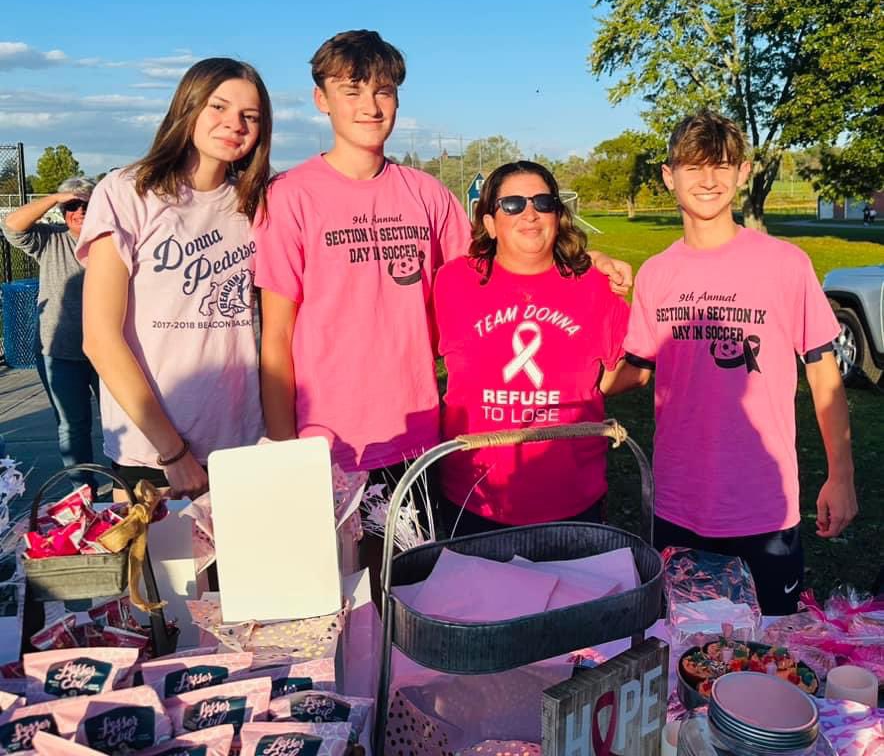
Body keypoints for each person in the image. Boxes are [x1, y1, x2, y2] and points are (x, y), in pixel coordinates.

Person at [255, 30, 632, 479]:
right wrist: (282, 448)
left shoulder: (425, 193)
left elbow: (500, 260)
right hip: (324, 438)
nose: (370, 106)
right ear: (322, 99)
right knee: (340, 553)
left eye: (383, 91)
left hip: (419, 431)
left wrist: (589, 260)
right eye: (351, 91)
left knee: (409, 551)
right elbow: (276, 337)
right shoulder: (289, 196)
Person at [609, 109, 857, 614]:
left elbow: (822, 371)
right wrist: (564, 376)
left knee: (769, 656)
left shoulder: (785, 264)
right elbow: (636, 368)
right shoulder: (656, 275)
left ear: (743, 173)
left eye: (722, 166)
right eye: (693, 167)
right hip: (678, 501)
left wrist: (841, 475)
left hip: (763, 504)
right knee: (684, 651)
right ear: (668, 176)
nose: (708, 180)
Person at [78, 58, 272, 498]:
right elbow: (101, 338)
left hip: (240, 444)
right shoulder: (128, 191)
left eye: (250, 117)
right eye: (218, 107)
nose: (234, 124)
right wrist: (173, 452)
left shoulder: (256, 203)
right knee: (164, 570)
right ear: (188, 107)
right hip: (152, 453)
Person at [432, 160, 630, 535]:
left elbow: (632, 368)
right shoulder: (452, 281)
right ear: (489, 223)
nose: (530, 214)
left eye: (543, 203)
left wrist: (588, 390)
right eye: (512, 205)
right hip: (475, 495)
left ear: (558, 215)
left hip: (571, 497)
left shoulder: (594, 284)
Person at [2, 178, 101, 485]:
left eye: (86, 204)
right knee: (72, 426)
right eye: (72, 206)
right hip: (59, 352)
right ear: (62, 211)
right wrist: (58, 196)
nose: (80, 211)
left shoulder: (111, 240)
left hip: (108, 350)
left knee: (120, 422)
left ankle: (128, 486)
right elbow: (12, 226)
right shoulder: (50, 239)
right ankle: (82, 493)